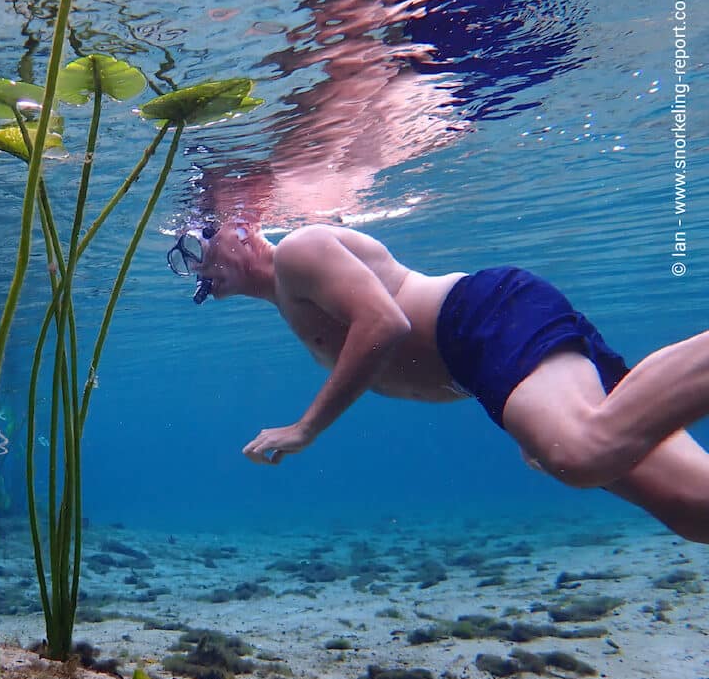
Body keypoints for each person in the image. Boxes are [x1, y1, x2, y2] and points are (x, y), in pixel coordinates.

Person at [167, 223, 709, 543]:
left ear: (241, 230)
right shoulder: (287, 297)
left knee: (583, 451)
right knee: (692, 506)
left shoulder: (297, 252)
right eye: (181, 259)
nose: (192, 265)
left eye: (195, 245)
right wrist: (536, 410)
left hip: (484, 321)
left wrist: (305, 429)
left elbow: (386, 325)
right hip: (484, 361)